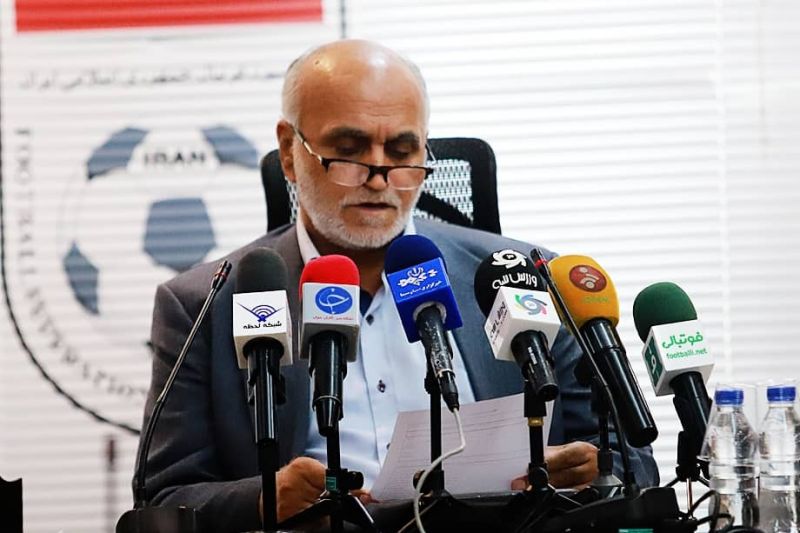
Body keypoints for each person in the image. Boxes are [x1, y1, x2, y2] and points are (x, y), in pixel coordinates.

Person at [139, 39, 659, 532]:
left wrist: (587, 472)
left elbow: (631, 460)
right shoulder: (203, 304)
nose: (380, 175)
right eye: (349, 149)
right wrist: (265, 499)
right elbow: (163, 499)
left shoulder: (526, 278)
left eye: (403, 150)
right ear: (290, 152)